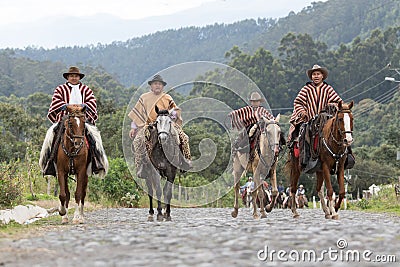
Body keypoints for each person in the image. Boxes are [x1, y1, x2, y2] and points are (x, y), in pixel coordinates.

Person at [39, 66, 108, 177]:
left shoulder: (86, 89)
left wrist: (84, 106)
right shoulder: (60, 89)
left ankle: (97, 161)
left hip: (81, 120)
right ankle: (49, 162)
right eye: (71, 76)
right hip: (65, 119)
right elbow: (56, 101)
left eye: (76, 76)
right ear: (67, 77)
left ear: (79, 77)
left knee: (95, 137)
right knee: (50, 135)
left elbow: (92, 102)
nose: (74, 78)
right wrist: (65, 106)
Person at [128, 74, 191, 178]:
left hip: (166, 124)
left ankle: (185, 160)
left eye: (159, 84)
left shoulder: (167, 97)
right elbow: (138, 114)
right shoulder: (144, 98)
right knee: (137, 141)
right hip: (149, 125)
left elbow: (175, 111)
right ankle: (140, 166)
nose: (157, 86)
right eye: (155, 84)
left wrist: (171, 114)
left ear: (163, 86)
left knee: (184, 137)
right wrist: (133, 127)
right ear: (151, 86)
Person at [287, 64, 342, 145]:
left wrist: (331, 106)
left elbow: (338, 102)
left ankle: (347, 154)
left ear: (322, 76)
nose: (316, 76)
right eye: (314, 74)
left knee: (341, 134)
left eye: (318, 74)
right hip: (308, 121)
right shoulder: (306, 89)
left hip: (325, 122)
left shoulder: (328, 89)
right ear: (311, 77)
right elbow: (298, 102)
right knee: (302, 138)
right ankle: (303, 155)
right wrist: (302, 112)